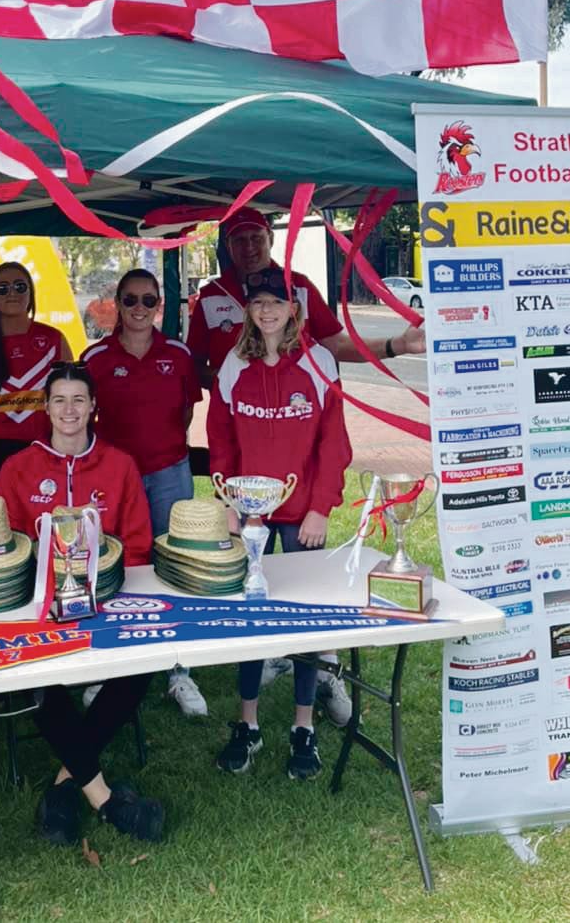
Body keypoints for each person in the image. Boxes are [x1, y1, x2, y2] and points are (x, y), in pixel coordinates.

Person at [0, 363, 163, 846]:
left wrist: (106, 593)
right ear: (45, 407)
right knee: (38, 677)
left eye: (78, 400)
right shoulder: (18, 468)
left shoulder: (119, 464)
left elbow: (136, 544)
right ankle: (105, 798)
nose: (69, 411)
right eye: (59, 400)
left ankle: (65, 787)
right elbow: (8, 548)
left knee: (139, 666)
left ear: (93, 407)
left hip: (107, 598)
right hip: (40, 604)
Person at [207, 268, 352, 781]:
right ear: (247, 309)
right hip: (250, 511)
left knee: (307, 620)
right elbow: (220, 435)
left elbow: (334, 444)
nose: (266, 311)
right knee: (251, 617)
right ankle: (247, 724)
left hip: (303, 515)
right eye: (257, 302)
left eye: (276, 302)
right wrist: (227, 496)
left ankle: (303, 726)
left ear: (294, 308)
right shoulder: (233, 364)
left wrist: (320, 507)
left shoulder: (319, 362)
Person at [81, 268, 207, 717]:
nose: (139, 309)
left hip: (169, 472)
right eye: (130, 300)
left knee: (174, 561)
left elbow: (187, 410)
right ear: (117, 303)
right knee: (111, 563)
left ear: (159, 306)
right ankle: (108, 665)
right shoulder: (95, 357)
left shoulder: (178, 353)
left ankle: (179, 669)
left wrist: (165, 451)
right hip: (113, 476)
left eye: (148, 301)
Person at [187, 207, 425, 388]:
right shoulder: (211, 296)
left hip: (297, 413)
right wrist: (236, 380)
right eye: (239, 239)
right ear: (228, 246)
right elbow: (194, 369)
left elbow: (337, 346)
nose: (249, 247)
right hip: (234, 422)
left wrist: (399, 344)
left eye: (256, 237)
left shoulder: (299, 287)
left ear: (270, 238)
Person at [0, 261, 71, 500]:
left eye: (20, 286)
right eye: (2, 288)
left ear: (31, 293)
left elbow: (70, 396)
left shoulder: (53, 339)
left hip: (42, 451)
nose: (12, 293)